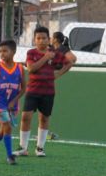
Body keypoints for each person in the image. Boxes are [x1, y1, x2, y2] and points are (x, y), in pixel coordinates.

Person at [15, 26, 74, 157]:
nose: (41, 41)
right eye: (38, 38)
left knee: (44, 118)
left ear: (49, 40)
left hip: (48, 92)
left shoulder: (56, 54)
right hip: (33, 90)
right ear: (34, 40)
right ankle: (23, 147)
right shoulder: (31, 53)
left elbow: (69, 62)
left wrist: (58, 73)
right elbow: (31, 69)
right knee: (26, 117)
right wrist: (46, 57)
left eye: (44, 38)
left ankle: (40, 148)